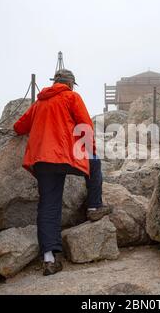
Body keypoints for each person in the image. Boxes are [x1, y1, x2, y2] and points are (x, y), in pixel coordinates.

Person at [13, 69, 111, 276]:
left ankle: (49, 259)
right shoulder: (71, 97)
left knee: (48, 205)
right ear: (71, 84)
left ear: (54, 82)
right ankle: (94, 207)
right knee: (95, 163)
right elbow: (85, 126)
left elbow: (19, 127)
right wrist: (91, 150)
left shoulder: (39, 103)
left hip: (41, 160)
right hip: (65, 155)